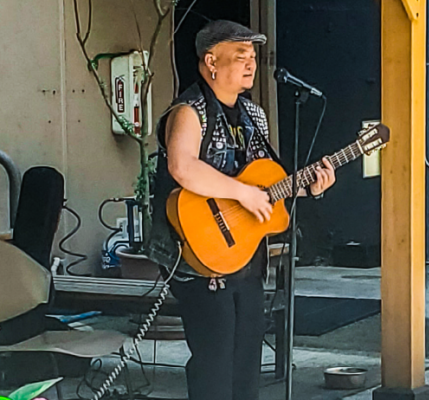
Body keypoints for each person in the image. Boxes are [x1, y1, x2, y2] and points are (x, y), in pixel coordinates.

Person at [145, 20, 335, 400]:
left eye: (253, 57)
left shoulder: (255, 117)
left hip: (246, 259)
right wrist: (242, 193)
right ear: (211, 62)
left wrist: (307, 186)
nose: (251, 64)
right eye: (240, 56)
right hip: (200, 259)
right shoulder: (189, 111)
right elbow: (182, 167)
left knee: (246, 367)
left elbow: (265, 187)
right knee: (214, 366)